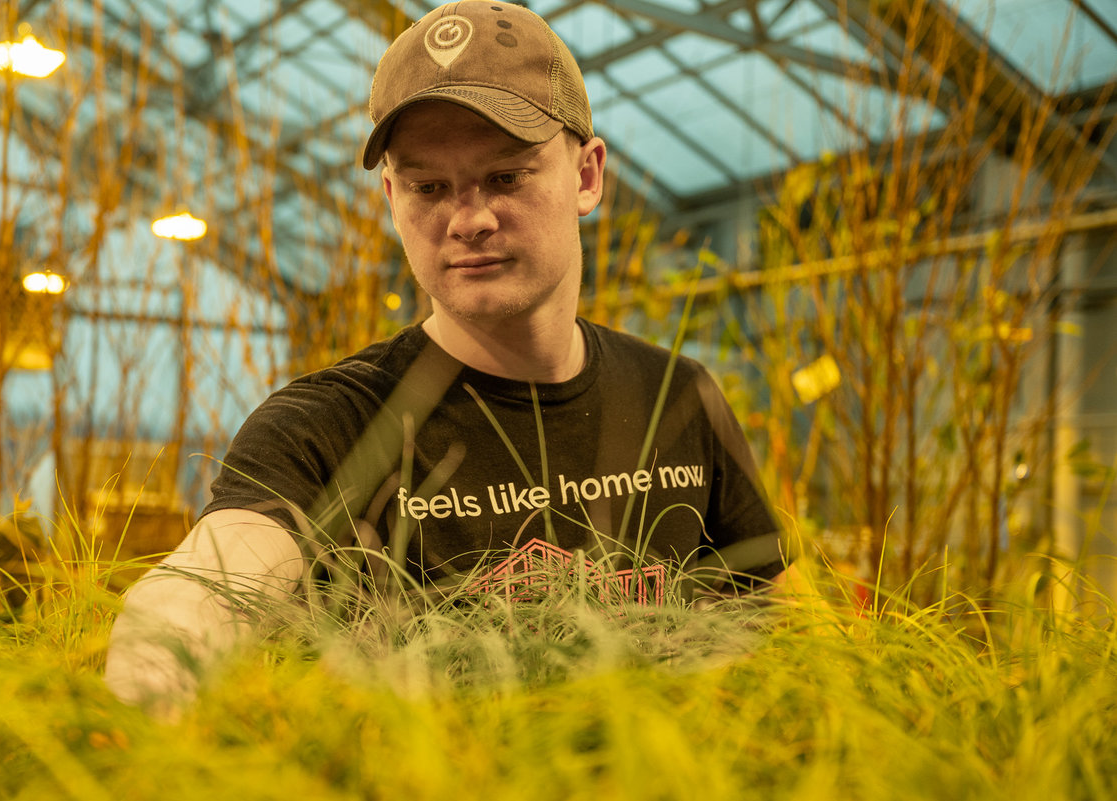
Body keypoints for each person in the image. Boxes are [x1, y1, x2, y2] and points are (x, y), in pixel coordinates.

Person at [106, 0, 785, 712]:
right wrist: (150, 684)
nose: (469, 219)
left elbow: (771, 619)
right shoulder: (327, 425)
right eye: (430, 187)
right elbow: (215, 580)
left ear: (587, 176)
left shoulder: (678, 395)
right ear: (392, 198)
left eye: (507, 177)